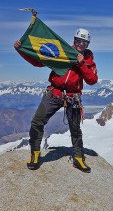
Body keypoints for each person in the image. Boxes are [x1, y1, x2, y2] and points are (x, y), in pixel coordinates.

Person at [14, 28, 98, 172]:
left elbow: (92, 80)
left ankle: (78, 157)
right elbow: (39, 62)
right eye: (79, 40)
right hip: (55, 92)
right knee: (37, 121)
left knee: (75, 128)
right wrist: (21, 50)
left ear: (88, 44)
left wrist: (81, 63)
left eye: (84, 42)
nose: (81, 44)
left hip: (73, 97)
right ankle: (35, 153)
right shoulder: (63, 51)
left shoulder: (89, 61)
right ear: (74, 40)